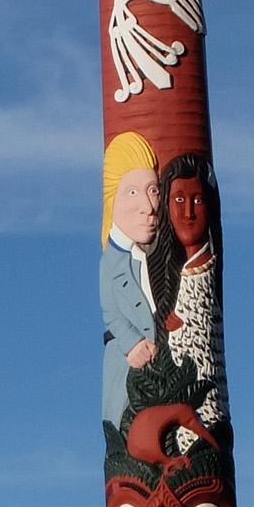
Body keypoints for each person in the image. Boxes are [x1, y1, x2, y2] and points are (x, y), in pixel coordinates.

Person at [157, 152, 227, 439]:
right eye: (179, 200)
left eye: (197, 200)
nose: (189, 213)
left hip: (201, 423)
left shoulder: (203, 273)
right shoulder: (181, 275)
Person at [99, 132, 161, 428]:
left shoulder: (155, 258)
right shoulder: (112, 261)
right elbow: (111, 312)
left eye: (154, 191)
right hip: (128, 371)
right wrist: (132, 343)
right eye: (134, 192)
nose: (149, 206)